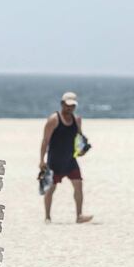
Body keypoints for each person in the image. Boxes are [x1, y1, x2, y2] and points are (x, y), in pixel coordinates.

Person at [39, 92, 93, 224]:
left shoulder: (77, 120)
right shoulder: (54, 119)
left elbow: (79, 139)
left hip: (70, 160)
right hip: (54, 160)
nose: (70, 108)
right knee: (50, 189)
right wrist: (41, 160)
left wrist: (82, 150)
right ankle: (47, 217)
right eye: (68, 105)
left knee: (78, 185)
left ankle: (79, 215)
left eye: (73, 106)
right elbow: (45, 141)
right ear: (62, 104)